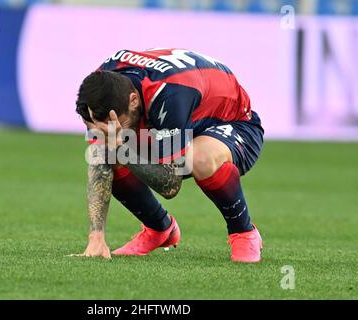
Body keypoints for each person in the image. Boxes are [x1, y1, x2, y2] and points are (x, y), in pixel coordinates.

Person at [74, 48, 264, 263]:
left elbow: (171, 185)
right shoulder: (101, 89)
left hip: (232, 123)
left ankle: (243, 232)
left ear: (134, 100)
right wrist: (96, 237)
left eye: (118, 125)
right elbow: (101, 159)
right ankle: (159, 229)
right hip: (178, 120)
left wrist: (120, 148)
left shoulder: (171, 93)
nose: (115, 131)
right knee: (106, 150)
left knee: (198, 158)